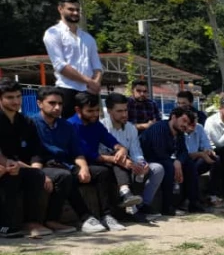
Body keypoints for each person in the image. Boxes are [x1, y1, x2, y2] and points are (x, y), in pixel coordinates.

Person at [32, 87, 118, 233]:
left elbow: (77, 152)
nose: (57, 107)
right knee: (65, 176)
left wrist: (84, 168)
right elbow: (33, 153)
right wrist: (38, 174)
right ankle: (80, 218)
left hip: (66, 164)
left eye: (60, 103)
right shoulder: (31, 123)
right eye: (52, 103)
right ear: (40, 104)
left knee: (101, 172)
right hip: (45, 165)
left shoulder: (65, 125)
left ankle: (106, 216)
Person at [0, 78, 75, 237]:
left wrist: (38, 171)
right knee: (13, 174)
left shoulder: (25, 121)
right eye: (10, 97)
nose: (16, 101)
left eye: (18, 96)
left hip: (20, 166)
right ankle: (6, 225)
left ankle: (42, 221)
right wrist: (10, 164)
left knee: (62, 176)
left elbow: (35, 151)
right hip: (6, 166)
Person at [67, 92, 143, 215]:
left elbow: (110, 140)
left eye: (97, 110)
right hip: (77, 162)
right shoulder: (71, 125)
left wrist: (122, 149)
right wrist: (114, 159)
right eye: (90, 111)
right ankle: (115, 207)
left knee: (123, 160)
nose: (95, 114)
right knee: (109, 167)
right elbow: (84, 152)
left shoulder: (96, 124)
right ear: (78, 110)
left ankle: (127, 196)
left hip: (94, 161)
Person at [102, 92, 164, 222]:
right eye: (119, 111)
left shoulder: (131, 128)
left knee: (157, 169)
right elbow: (102, 152)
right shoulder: (102, 127)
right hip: (111, 163)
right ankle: (130, 203)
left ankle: (142, 205)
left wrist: (142, 163)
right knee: (123, 164)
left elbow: (136, 151)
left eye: (125, 110)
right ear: (109, 111)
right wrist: (126, 161)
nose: (124, 114)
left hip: (130, 162)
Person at [42, 0, 103, 119]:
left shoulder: (88, 38)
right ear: (60, 9)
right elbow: (61, 66)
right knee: (69, 130)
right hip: (67, 90)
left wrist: (96, 83)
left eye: (77, 10)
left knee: (92, 130)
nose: (75, 13)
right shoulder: (53, 33)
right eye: (71, 9)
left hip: (90, 92)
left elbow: (97, 66)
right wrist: (89, 81)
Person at [140, 106, 204, 216]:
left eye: (188, 123)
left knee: (188, 163)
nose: (185, 125)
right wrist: (174, 162)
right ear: (174, 117)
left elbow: (183, 151)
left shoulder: (179, 132)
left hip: (163, 159)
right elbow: (158, 152)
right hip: (147, 159)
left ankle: (194, 203)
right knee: (169, 166)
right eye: (183, 120)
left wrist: (178, 161)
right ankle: (167, 207)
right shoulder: (159, 128)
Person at [183, 109, 220, 203]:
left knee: (216, 159)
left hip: (196, 159)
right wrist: (201, 154)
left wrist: (208, 151)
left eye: (195, 121)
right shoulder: (179, 130)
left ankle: (212, 193)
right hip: (183, 161)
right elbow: (182, 155)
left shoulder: (199, 127)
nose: (194, 126)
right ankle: (191, 199)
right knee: (191, 168)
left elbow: (206, 144)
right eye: (191, 123)